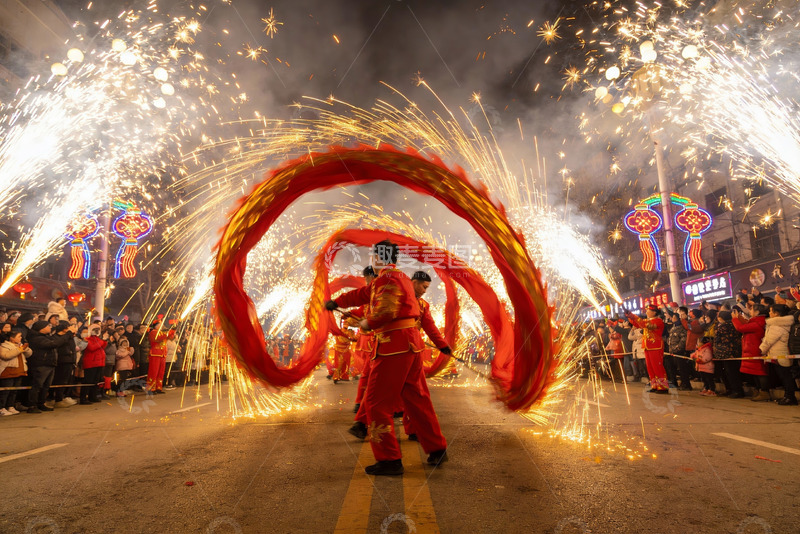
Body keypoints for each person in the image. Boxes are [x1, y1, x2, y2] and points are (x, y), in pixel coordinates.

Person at [326, 240, 450, 476]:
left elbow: (386, 310)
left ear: (378, 257)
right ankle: (437, 448)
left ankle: (389, 459)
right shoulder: (395, 278)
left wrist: (368, 323)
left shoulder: (388, 279)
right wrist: (338, 301)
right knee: (418, 400)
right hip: (409, 347)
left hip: (394, 347)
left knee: (376, 403)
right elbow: (363, 294)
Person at [26, 320, 72, 413]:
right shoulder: (37, 338)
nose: (50, 327)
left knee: (46, 386)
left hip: (49, 363)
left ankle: (41, 403)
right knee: (38, 385)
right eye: (48, 326)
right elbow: (54, 344)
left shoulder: (46, 337)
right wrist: (67, 334)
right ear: (41, 328)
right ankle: (32, 405)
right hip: (41, 364)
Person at [759, 304, 797, 405]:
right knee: (785, 377)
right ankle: (787, 396)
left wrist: (761, 350)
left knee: (786, 377)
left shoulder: (777, 325)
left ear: (777, 314)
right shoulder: (781, 324)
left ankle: (790, 397)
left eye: (771, 311)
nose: (769, 313)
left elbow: (769, 341)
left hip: (780, 354)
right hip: (780, 354)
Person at [625, 304, 669, 393]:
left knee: (657, 367)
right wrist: (629, 316)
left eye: (648, 310)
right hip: (647, 346)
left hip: (655, 346)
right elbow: (636, 323)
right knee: (650, 367)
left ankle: (663, 387)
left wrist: (633, 315)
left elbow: (645, 324)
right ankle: (654, 385)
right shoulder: (647, 320)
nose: (646, 312)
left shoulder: (658, 321)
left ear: (654, 312)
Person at [732, 304, 770, 401]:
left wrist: (735, 319)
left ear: (757, 312)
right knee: (755, 372)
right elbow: (746, 324)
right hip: (751, 351)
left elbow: (741, 328)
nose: (750, 311)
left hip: (755, 350)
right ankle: (758, 391)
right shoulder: (755, 321)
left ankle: (764, 392)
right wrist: (739, 317)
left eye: (752, 309)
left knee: (760, 372)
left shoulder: (758, 323)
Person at [0, 329, 31, 416]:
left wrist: (26, 349)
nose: (21, 338)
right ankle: (1, 408)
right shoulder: (4, 346)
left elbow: (29, 354)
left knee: (14, 391)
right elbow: (6, 356)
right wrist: (19, 349)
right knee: (5, 391)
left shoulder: (20, 345)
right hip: (8, 371)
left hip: (19, 371)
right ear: (12, 338)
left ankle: (10, 406)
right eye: (19, 336)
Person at [714, 311, 743, 397]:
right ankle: (736, 389)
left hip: (724, 352)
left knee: (729, 372)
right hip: (735, 351)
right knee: (734, 372)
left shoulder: (722, 326)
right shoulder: (734, 324)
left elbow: (717, 339)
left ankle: (734, 390)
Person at [52, 321, 78, 407]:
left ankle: (63, 396)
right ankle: (56, 399)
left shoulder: (69, 337)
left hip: (69, 361)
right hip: (61, 361)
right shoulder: (56, 337)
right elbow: (60, 344)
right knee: (59, 380)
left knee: (66, 380)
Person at [80, 326, 107, 404]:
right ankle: (83, 398)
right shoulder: (87, 339)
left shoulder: (98, 339)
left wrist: (104, 340)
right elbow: (92, 347)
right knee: (88, 381)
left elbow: (103, 345)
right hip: (91, 363)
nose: (97, 331)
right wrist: (103, 341)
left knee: (96, 381)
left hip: (99, 363)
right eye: (95, 330)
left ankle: (93, 396)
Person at [147, 321, 175, 394]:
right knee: (154, 372)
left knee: (161, 372)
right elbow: (159, 338)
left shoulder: (162, 332)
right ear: (156, 326)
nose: (162, 326)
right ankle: (150, 388)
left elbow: (170, 337)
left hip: (162, 354)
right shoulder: (153, 332)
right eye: (160, 324)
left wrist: (173, 329)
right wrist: (170, 331)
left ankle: (158, 387)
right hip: (155, 354)